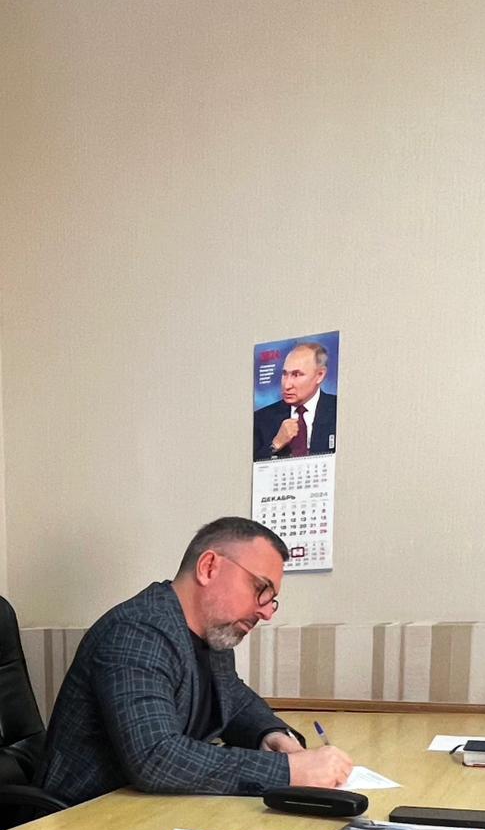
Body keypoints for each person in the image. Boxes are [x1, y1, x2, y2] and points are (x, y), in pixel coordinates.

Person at [37, 517, 353, 805]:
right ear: (209, 567)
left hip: (150, 809)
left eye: (272, 600)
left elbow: (235, 700)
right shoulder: (136, 632)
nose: (267, 611)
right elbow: (156, 758)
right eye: (260, 589)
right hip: (84, 816)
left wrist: (272, 735)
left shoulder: (214, 634)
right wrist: (288, 771)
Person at [253, 342, 337, 461]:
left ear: (320, 375)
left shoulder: (338, 409)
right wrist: (276, 444)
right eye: (284, 374)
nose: (287, 385)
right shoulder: (261, 419)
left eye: (296, 374)